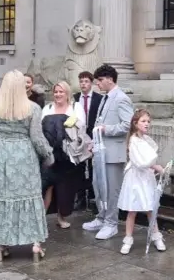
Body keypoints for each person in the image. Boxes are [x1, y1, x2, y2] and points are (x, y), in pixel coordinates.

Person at [0, 70, 54, 263]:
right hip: (25, 158)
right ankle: (35, 245)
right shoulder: (32, 108)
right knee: (29, 199)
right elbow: (37, 138)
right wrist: (48, 156)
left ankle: (1, 245)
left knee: (1, 199)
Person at [82, 64, 134, 240]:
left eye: (100, 80)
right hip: (100, 151)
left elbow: (128, 125)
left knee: (112, 190)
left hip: (113, 154)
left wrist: (106, 129)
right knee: (98, 187)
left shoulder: (121, 98)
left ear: (110, 79)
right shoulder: (105, 98)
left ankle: (111, 223)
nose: (98, 84)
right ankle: (101, 217)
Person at [117, 109, 166, 254]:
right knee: (132, 210)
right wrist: (156, 166)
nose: (147, 124)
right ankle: (128, 239)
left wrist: (156, 167)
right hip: (135, 178)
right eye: (143, 121)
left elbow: (148, 158)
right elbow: (141, 161)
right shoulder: (133, 140)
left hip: (146, 177)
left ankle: (156, 237)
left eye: (148, 121)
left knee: (150, 209)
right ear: (135, 123)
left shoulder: (144, 139)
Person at [41, 81, 86, 229]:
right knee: (47, 186)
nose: (58, 94)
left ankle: (61, 217)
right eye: (56, 92)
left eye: (61, 92)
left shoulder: (75, 107)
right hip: (50, 154)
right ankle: (41, 219)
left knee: (65, 187)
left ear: (67, 94)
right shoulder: (47, 108)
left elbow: (81, 128)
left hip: (68, 155)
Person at [73, 71, 103, 210]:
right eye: (81, 81)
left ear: (91, 83)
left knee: (92, 167)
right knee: (78, 167)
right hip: (79, 138)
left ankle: (92, 196)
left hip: (93, 137)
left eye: (86, 81)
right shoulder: (75, 98)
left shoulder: (99, 98)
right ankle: (80, 198)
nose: (83, 84)